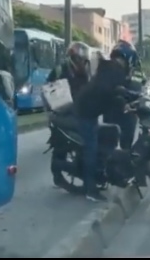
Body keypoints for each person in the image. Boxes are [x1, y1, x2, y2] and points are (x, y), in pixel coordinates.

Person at [75, 54, 133, 202]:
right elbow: (111, 95)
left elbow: (118, 91)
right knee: (91, 150)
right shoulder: (106, 81)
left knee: (110, 134)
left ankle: (103, 173)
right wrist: (122, 104)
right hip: (85, 116)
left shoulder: (107, 74)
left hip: (91, 114)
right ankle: (90, 188)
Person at [47, 42, 91, 189]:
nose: (82, 63)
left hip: (78, 112)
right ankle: (57, 175)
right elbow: (48, 89)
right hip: (60, 112)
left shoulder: (85, 73)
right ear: (72, 58)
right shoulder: (60, 71)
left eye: (84, 60)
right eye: (80, 60)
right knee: (60, 142)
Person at [103, 41, 144, 150]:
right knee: (107, 142)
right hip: (110, 109)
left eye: (120, 60)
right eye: (114, 59)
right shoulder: (108, 70)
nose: (116, 63)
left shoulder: (136, 73)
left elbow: (136, 91)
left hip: (128, 111)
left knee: (126, 144)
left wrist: (123, 97)